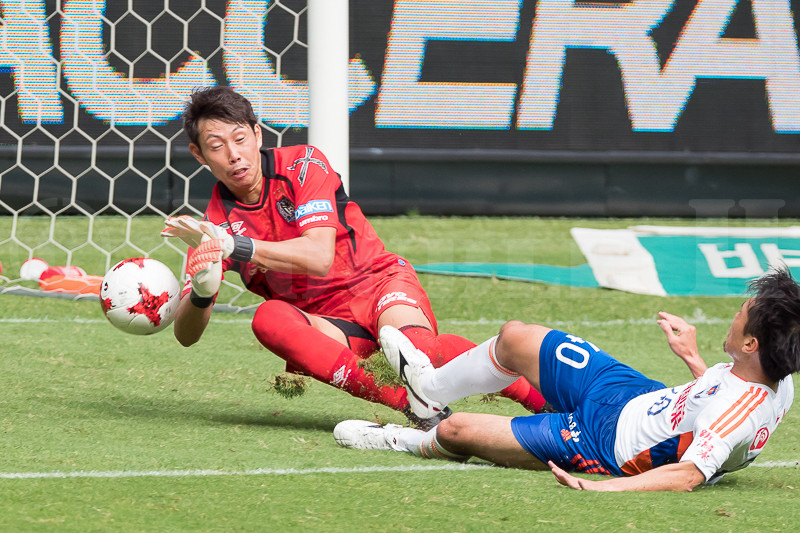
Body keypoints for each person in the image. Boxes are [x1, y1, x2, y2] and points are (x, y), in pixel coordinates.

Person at [161, 86, 546, 426]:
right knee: (268, 318)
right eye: (216, 146)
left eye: (240, 138)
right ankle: (412, 407)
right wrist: (201, 290)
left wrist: (234, 246)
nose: (234, 155)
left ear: (258, 134)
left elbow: (318, 256)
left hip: (379, 283)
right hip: (330, 325)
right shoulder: (216, 222)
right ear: (198, 154)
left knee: (417, 351)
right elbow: (186, 336)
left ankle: (546, 401)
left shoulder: (302, 164)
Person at [334, 268, 800, 491]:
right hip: (636, 396)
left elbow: (689, 474)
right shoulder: (776, 380)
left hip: (604, 445)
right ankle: (428, 392)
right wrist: (695, 360)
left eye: (743, 312)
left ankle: (400, 440)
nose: (736, 314)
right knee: (517, 337)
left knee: (457, 431)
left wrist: (601, 487)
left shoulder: (739, 410)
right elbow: (717, 407)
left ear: (751, 344)